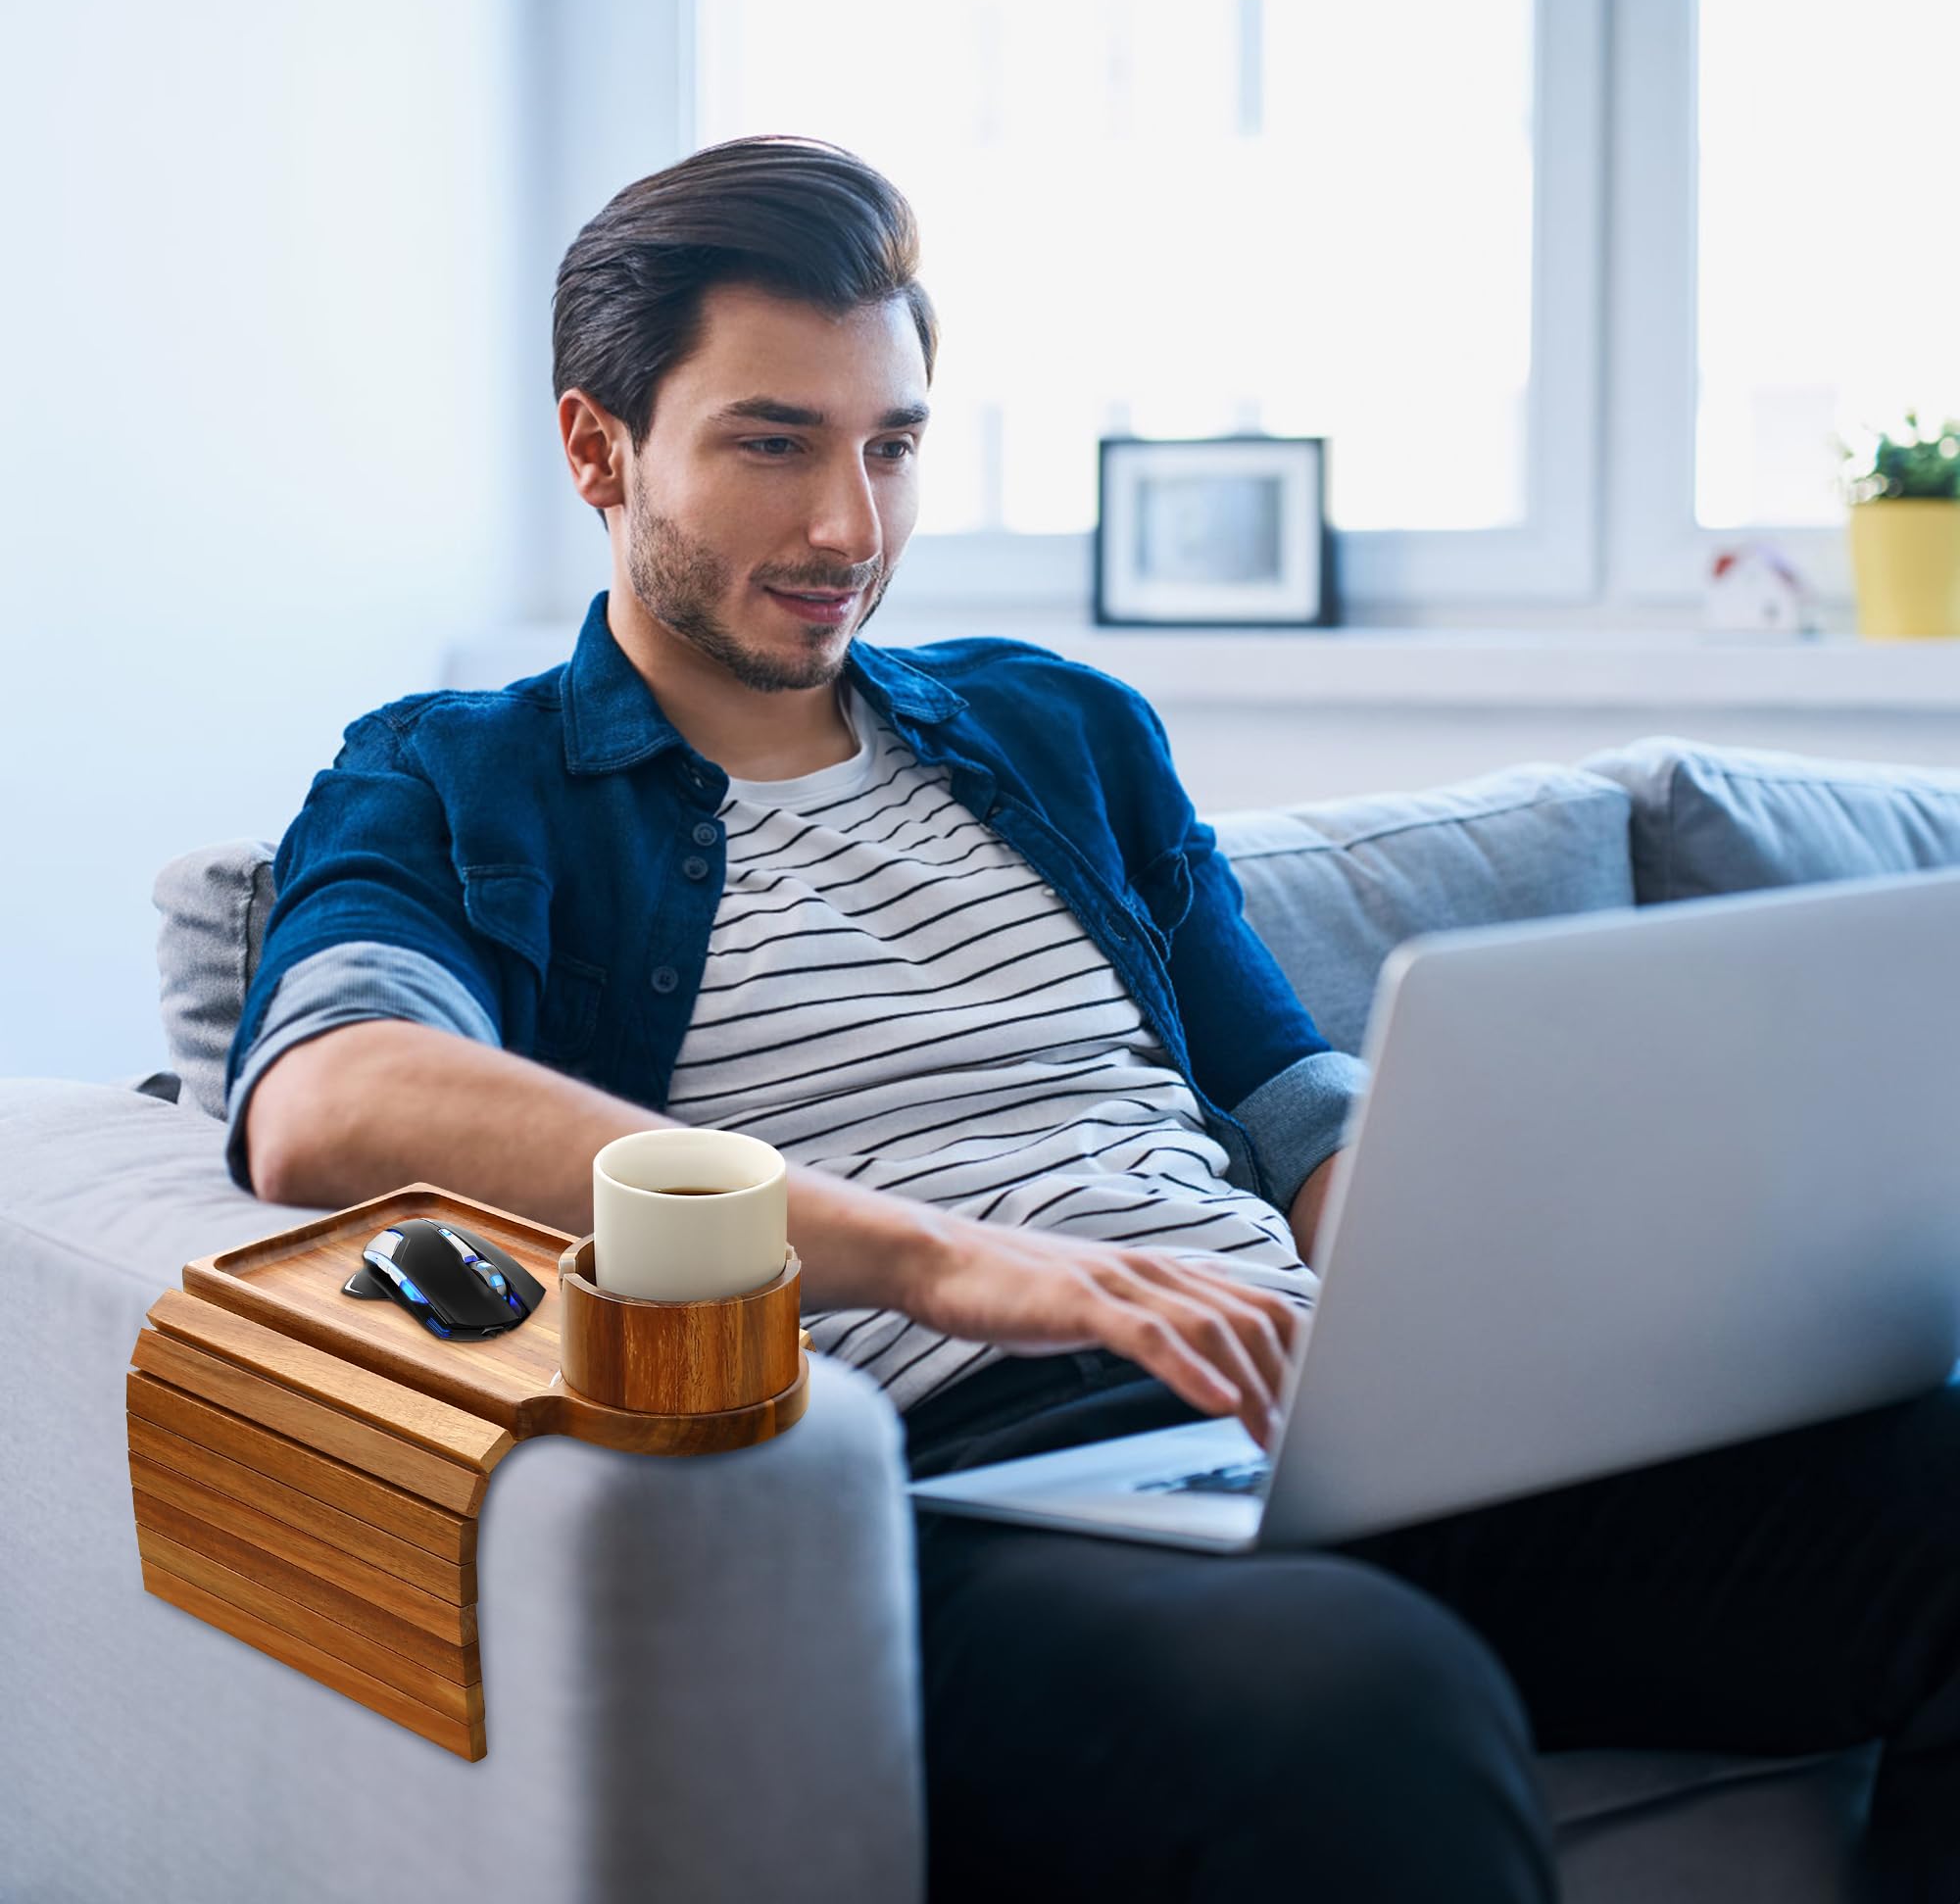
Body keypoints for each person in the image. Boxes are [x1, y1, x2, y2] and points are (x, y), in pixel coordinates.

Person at [230, 137, 1960, 1902]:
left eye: (891, 446)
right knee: (1355, 1701)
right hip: (964, 1490)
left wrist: (1454, 1336)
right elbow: (330, 1096)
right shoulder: (460, 775)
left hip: (1299, 1422)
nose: (851, 530)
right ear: (600, 446)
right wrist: (939, 1261)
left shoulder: (1056, 730)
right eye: (773, 443)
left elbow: (1291, 1097)